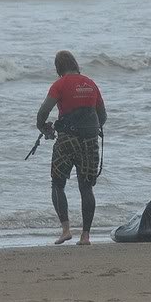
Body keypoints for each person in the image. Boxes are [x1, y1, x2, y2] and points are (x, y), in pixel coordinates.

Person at [37, 50, 106, 245]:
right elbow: (102, 116)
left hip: (67, 139)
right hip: (90, 140)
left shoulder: (60, 84)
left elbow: (43, 111)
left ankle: (66, 229)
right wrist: (93, 129)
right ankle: (85, 235)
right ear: (75, 64)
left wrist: (43, 127)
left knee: (58, 183)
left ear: (58, 68)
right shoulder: (91, 84)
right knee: (86, 187)